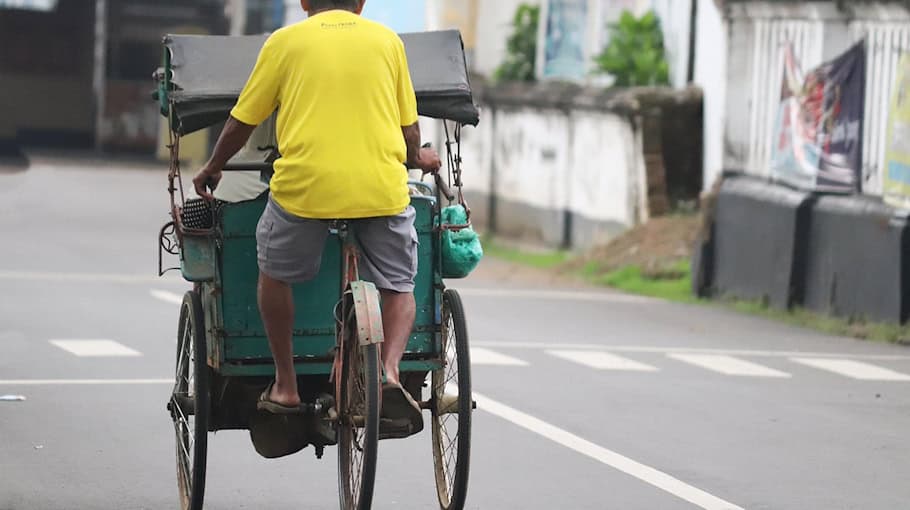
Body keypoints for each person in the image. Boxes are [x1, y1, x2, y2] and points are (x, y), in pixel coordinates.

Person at [192, 0, 441, 433]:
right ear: (360, 3)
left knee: (274, 273)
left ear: (305, 2)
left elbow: (243, 121)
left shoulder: (285, 42)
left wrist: (213, 166)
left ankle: (286, 386)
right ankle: (389, 372)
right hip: (380, 190)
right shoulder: (387, 42)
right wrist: (415, 157)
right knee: (401, 283)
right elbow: (411, 129)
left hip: (305, 191)